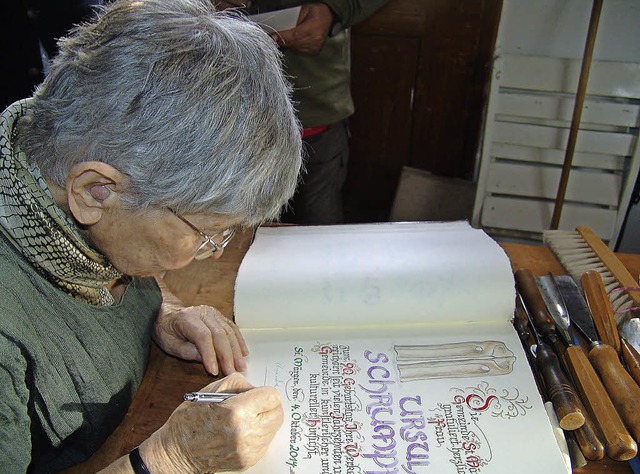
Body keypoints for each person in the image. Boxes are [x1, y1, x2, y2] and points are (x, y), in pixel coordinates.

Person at [0, 0, 303, 472]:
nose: (211, 253)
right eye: (207, 233)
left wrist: (161, 313)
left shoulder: (53, 172)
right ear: (95, 192)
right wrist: (168, 458)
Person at [216, 0, 389, 224]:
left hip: (313, 110)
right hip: (222, 108)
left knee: (319, 238)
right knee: (225, 237)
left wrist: (335, 9)